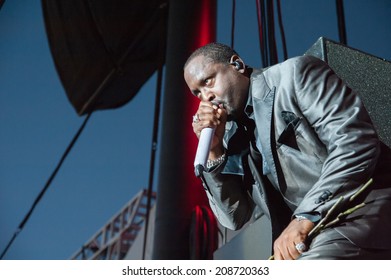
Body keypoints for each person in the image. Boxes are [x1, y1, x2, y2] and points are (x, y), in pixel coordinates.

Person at [184, 42, 391, 260]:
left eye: (208, 81)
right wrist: (214, 152)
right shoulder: (231, 136)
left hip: (361, 209)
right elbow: (235, 217)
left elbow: (355, 142)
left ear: (237, 65)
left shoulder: (294, 75)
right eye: (197, 93)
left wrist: (304, 216)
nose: (205, 97)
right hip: (310, 235)